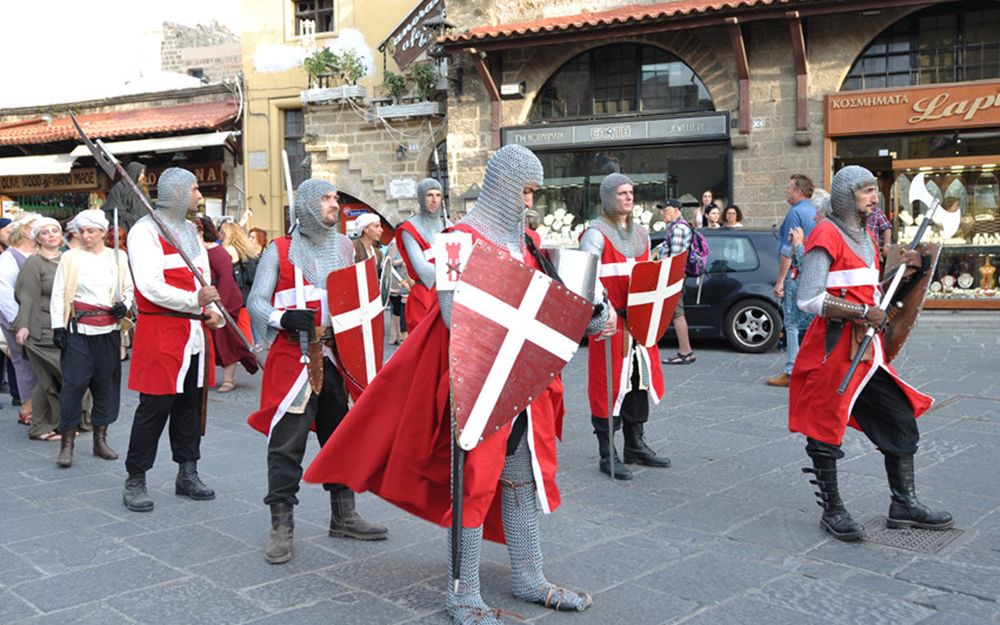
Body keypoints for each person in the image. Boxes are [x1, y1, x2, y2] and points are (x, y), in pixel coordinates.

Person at [304, 145, 596, 625]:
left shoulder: (525, 243)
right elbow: (455, 315)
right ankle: (463, 594)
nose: (528, 202)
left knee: (522, 475)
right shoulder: (458, 241)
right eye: (525, 191)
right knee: (475, 482)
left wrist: (587, 314)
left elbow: (544, 306)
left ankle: (529, 575)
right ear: (503, 186)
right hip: (476, 384)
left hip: (522, 385)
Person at [791, 165, 952, 541]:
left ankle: (904, 504)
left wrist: (903, 274)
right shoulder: (826, 233)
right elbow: (809, 298)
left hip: (867, 351)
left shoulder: (863, 236)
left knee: (898, 419)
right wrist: (864, 312)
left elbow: (864, 293)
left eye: (873, 190)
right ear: (847, 195)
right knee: (824, 430)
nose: (873, 197)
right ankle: (833, 510)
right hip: (832, 350)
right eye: (865, 191)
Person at [247, 178, 388, 565]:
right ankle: (281, 526)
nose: (334, 204)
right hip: (294, 357)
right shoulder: (280, 250)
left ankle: (343, 515)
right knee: (286, 445)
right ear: (307, 206)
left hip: (335, 356)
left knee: (341, 437)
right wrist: (280, 316)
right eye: (326, 199)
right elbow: (256, 301)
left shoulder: (344, 247)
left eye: (335, 198)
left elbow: (359, 299)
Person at [122, 168, 223, 512]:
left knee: (190, 407)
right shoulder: (145, 231)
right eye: (195, 189)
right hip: (162, 332)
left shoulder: (191, 233)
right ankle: (135, 478)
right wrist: (193, 302)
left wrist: (214, 312)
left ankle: (187, 472)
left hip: (195, 332)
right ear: (177, 192)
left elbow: (205, 283)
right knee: (154, 408)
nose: (199, 195)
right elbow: (149, 286)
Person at [580, 174, 669, 481]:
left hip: (640, 322)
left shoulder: (642, 234)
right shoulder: (595, 234)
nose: (628, 198)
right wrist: (601, 311)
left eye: (631, 192)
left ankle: (635, 445)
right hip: (611, 323)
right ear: (607, 197)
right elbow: (586, 280)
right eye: (621, 193)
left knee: (638, 383)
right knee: (608, 386)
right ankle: (608, 454)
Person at [50, 210, 133, 467]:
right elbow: (59, 292)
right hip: (79, 329)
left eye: (90, 231)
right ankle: (67, 443)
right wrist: (58, 326)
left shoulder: (118, 257)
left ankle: (100, 440)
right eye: (82, 231)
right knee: (73, 386)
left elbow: (128, 289)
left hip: (107, 330)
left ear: (102, 232)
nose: (85, 236)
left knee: (105, 386)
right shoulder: (70, 258)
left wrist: (125, 305)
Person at [13, 217, 64, 442]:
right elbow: (26, 296)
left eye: (55, 230)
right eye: (45, 232)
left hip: (67, 328)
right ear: (38, 238)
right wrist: (23, 326)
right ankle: (39, 426)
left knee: (68, 377)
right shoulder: (34, 262)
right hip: (41, 330)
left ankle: (68, 421)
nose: (52, 235)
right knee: (47, 379)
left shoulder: (68, 259)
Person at [197, 217, 258, 392]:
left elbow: (225, 279)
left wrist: (219, 306)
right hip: (207, 298)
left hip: (225, 299)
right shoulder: (200, 251)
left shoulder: (219, 252)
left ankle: (228, 379)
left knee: (226, 339)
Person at [768, 174, 817, 388]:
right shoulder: (814, 211)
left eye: (789, 188)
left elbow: (788, 250)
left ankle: (791, 370)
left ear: (798, 191)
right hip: (812, 273)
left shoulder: (795, 214)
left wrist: (780, 281)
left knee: (791, 323)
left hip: (796, 273)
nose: (785, 191)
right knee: (809, 322)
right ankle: (810, 368)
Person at [0, 212, 43, 427]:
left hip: (37, 319)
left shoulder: (36, 253)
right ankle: (29, 407)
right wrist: (20, 323)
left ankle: (39, 407)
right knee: (23, 362)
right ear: (26, 231)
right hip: (18, 319)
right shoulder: (7, 259)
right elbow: (4, 295)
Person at [395, 178, 450, 331]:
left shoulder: (450, 226)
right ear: (421, 197)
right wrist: (452, 272)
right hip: (424, 297)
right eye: (429, 195)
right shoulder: (410, 229)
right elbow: (422, 269)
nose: (434, 200)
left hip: (449, 294)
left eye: (438, 195)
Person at [657, 199, 697, 366]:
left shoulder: (679, 228)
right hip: (674, 277)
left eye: (665, 210)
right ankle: (685, 351)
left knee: (677, 314)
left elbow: (675, 259)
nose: (662, 213)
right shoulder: (676, 227)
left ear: (675, 210)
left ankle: (685, 352)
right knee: (676, 313)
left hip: (674, 278)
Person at [219, 220, 260, 353]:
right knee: (244, 324)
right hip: (247, 294)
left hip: (236, 294)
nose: (219, 235)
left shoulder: (228, 250)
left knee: (238, 326)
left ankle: (246, 352)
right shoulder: (246, 251)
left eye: (221, 232)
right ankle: (248, 349)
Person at [102, 162, 149, 231]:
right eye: (141, 173)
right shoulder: (120, 188)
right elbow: (113, 210)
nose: (142, 176)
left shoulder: (137, 190)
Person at [385, 239, 410, 345]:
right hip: (397, 280)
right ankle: (399, 336)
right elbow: (389, 262)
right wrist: (404, 260)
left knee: (400, 308)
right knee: (398, 308)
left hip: (405, 279)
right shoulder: (394, 244)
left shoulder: (407, 243)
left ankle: (397, 335)